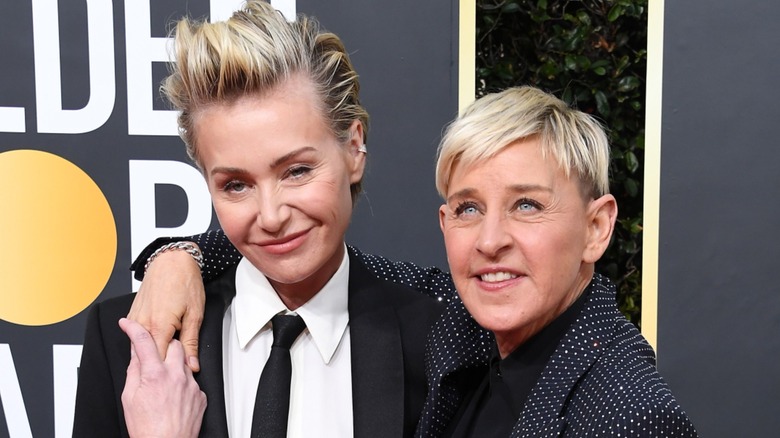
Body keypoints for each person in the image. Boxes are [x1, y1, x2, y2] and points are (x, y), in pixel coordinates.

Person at [129, 87, 698, 437]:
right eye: (470, 208)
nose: (491, 240)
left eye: (527, 205)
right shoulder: (465, 319)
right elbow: (303, 245)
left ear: (597, 227)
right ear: (445, 225)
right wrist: (182, 256)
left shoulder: (627, 412)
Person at [72, 2, 445, 437]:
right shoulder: (132, 342)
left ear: (354, 148)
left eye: (297, 171)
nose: (270, 217)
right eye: (235, 185)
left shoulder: (434, 341)